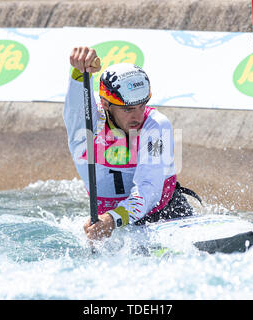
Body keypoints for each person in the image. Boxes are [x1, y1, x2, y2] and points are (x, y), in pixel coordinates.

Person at [63, 46, 201, 241]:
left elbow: (147, 191)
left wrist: (112, 219)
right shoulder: (88, 124)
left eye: (142, 105)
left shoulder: (156, 127)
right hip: (106, 224)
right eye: (128, 109)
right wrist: (79, 70)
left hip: (164, 216)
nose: (137, 116)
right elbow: (75, 105)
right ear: (105, 104)